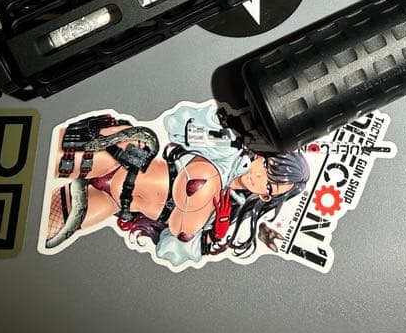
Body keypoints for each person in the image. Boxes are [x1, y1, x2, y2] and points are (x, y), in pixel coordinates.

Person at [45, 103, 309, 268]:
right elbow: (177, 122)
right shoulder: (229, 151)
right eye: (268, 167)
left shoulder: (225, 216)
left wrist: (211, 237)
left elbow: (169, 249)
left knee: (40, 219)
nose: (261, 178)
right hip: (124, 159)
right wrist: (220, 136)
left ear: (265, 197)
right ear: (264, 155)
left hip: (115, 202)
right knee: (44, 157)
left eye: (270, 187)